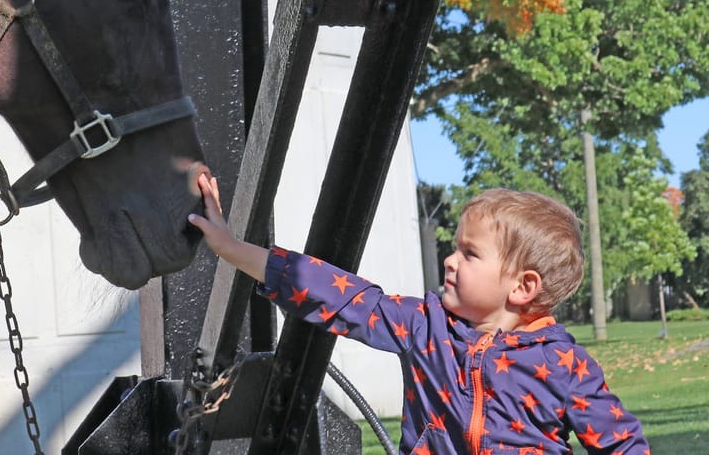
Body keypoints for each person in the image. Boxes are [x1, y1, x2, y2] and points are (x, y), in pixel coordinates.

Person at [188, 176, 651, 455]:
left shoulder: (565, 367)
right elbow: (341, 297)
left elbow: (623, 445)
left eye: (470, 254)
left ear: (523, 286)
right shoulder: (425, 327)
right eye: (454, 248)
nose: (450, 260)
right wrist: (231, 248)